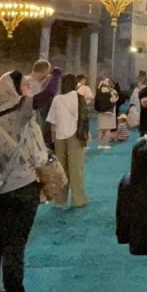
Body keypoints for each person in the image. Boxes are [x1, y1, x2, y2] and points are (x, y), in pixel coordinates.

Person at [0, 71, 48, 292]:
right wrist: (55, 74)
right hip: (22, 185)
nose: (28, 88)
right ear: (15, 90)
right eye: (24, 85)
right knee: (15, 245)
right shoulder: (19, 110)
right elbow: (48, 94)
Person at [48, 74, 89, 209]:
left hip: (59, 137)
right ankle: (78, 199)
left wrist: (52, 139)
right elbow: (84, 118)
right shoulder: (79, 98)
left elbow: (52, 121)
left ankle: (60, 200)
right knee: (76, 169)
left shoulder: (57, 99)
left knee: (61, 170)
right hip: (75, 136)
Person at [94, 76, 118, 148]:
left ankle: (99, 144)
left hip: (101, 112)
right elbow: (115, 99)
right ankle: (105, 144)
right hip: (109, 113)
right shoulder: (112, 91)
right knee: (108, 129)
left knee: (101, 130)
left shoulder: (99, 91)